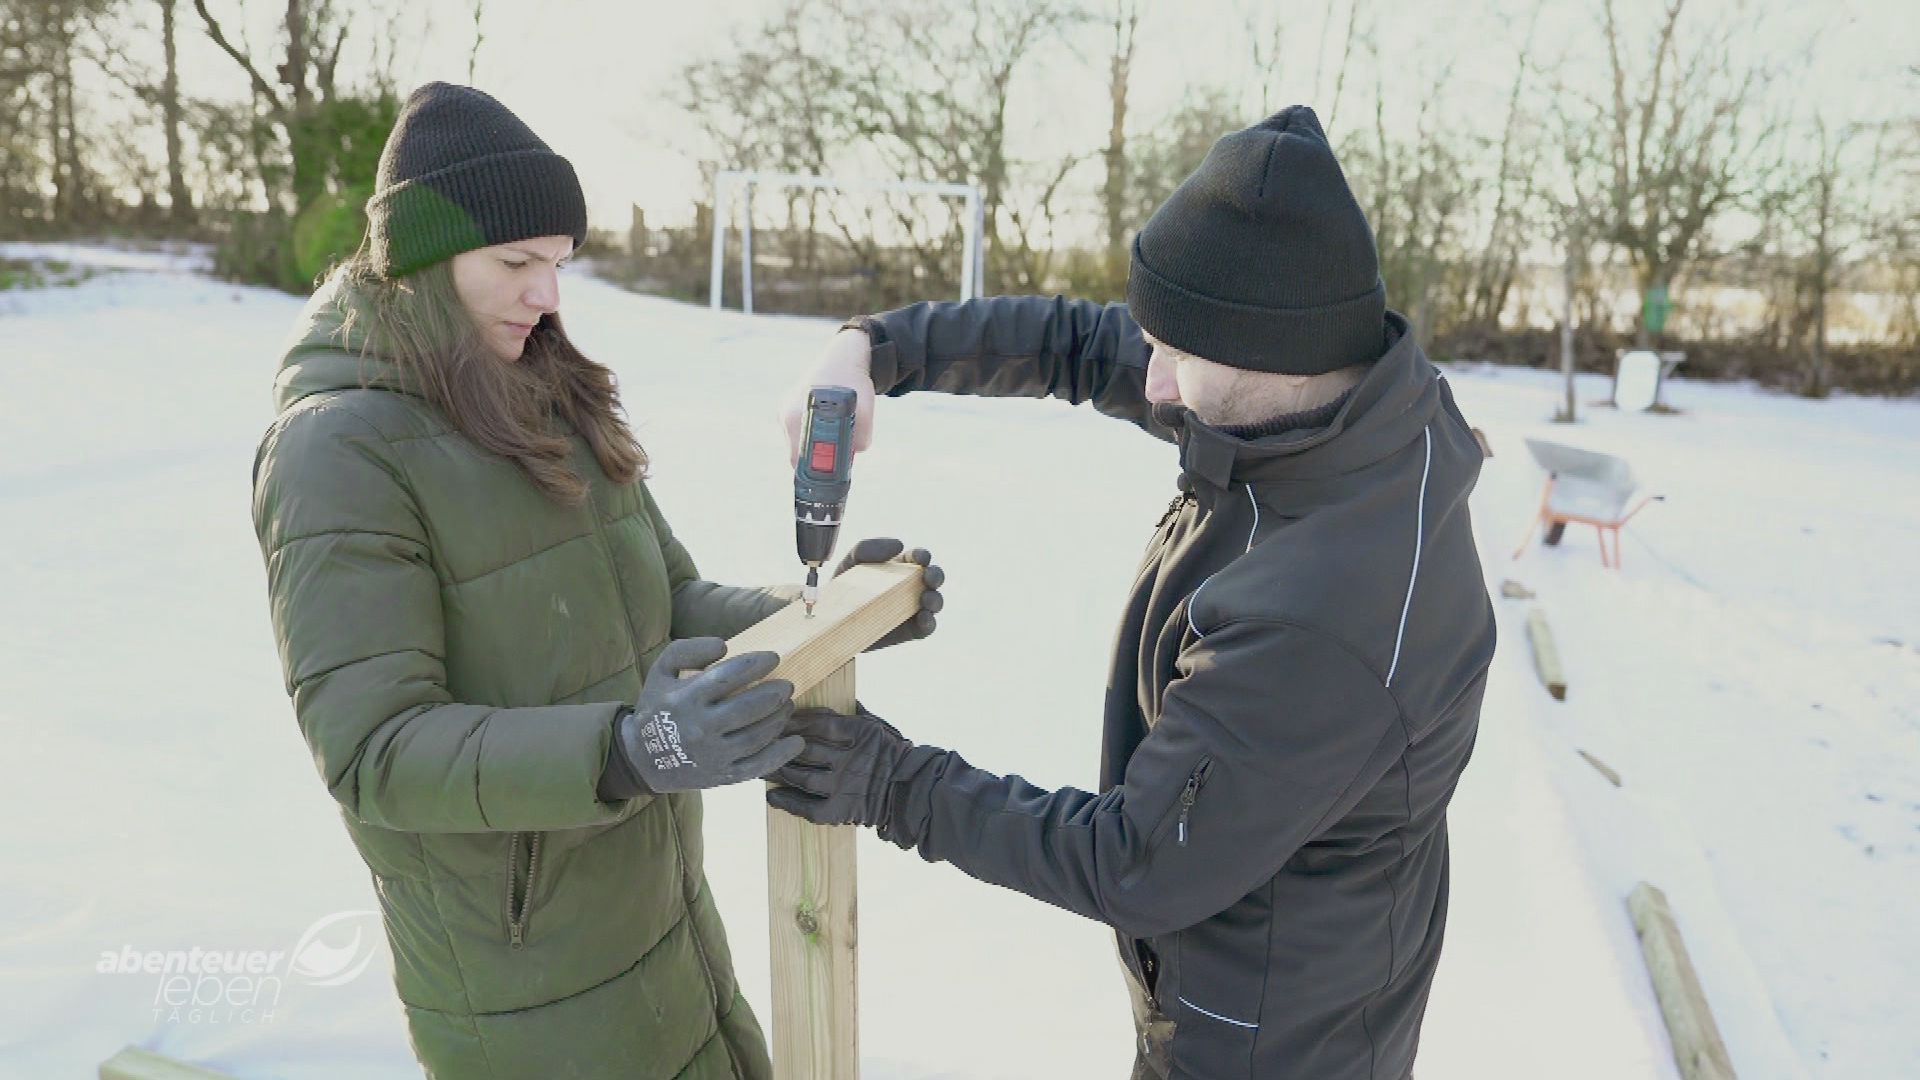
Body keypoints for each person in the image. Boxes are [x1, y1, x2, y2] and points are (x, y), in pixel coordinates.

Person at [769, 106, 1495, 1080]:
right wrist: (875, 351)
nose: (1150, 382)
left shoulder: (1319, 616)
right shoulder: (1338, 415)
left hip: (1270, 1045)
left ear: (1268, 355)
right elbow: (1080, 345)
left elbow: (1138, 861)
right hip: (1256, 970)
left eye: (1177, 355)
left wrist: (895, 783)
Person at [249, 82, 941, 1080]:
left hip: (660, 915)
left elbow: (670, 605)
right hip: (522, 982)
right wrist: (626, 751)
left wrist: (833, 617)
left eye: (560, 263)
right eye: (516, 263)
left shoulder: (544, 395)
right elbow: (375, 751)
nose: (548, 296)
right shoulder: (335, 452)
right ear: (420, 263)